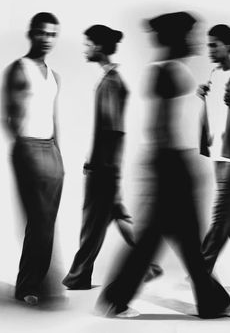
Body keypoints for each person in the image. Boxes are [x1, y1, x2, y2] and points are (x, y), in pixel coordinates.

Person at [95, 12, 230, 319]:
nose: (195, 41)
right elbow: (161, 127)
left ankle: (209, 302)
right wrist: (178, 164)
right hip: (171, 166)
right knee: (164, 239)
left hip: (171, 163)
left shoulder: (170, 69)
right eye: (190, 34)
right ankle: (119, 298)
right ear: (176, 38)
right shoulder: (167, 72)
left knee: (175, 238)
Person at [62, 24, 134, 290]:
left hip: (103, 167)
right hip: (106, 166)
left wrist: (100, 166)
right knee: (116, 217)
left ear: (100, 47)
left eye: (88, 44)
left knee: (92, 225)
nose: (85, 49)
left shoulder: (111, 82)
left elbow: (113, 131)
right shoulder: (110, 80)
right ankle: (146, 263)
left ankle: (79, 277)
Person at [2, 12, 64, 305]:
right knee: (38, 219)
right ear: (31, 33)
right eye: (42, 33)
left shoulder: (54, 76)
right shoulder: (18, 68)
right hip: (28, 147)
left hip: (51, 149)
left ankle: (35, 283)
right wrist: (24, 147)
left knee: (47, 221)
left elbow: (53, 116)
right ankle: (30, 285)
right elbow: (8, 115)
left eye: (52, 34)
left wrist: (58, 152)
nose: (47, 39)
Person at [198, 24, 230, 274]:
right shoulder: (213, 73)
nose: (209, 49)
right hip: (217, 151)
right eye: (209, 44)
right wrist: (202, 98)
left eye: (214, 44)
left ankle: (200, 270)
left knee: (221, 214)